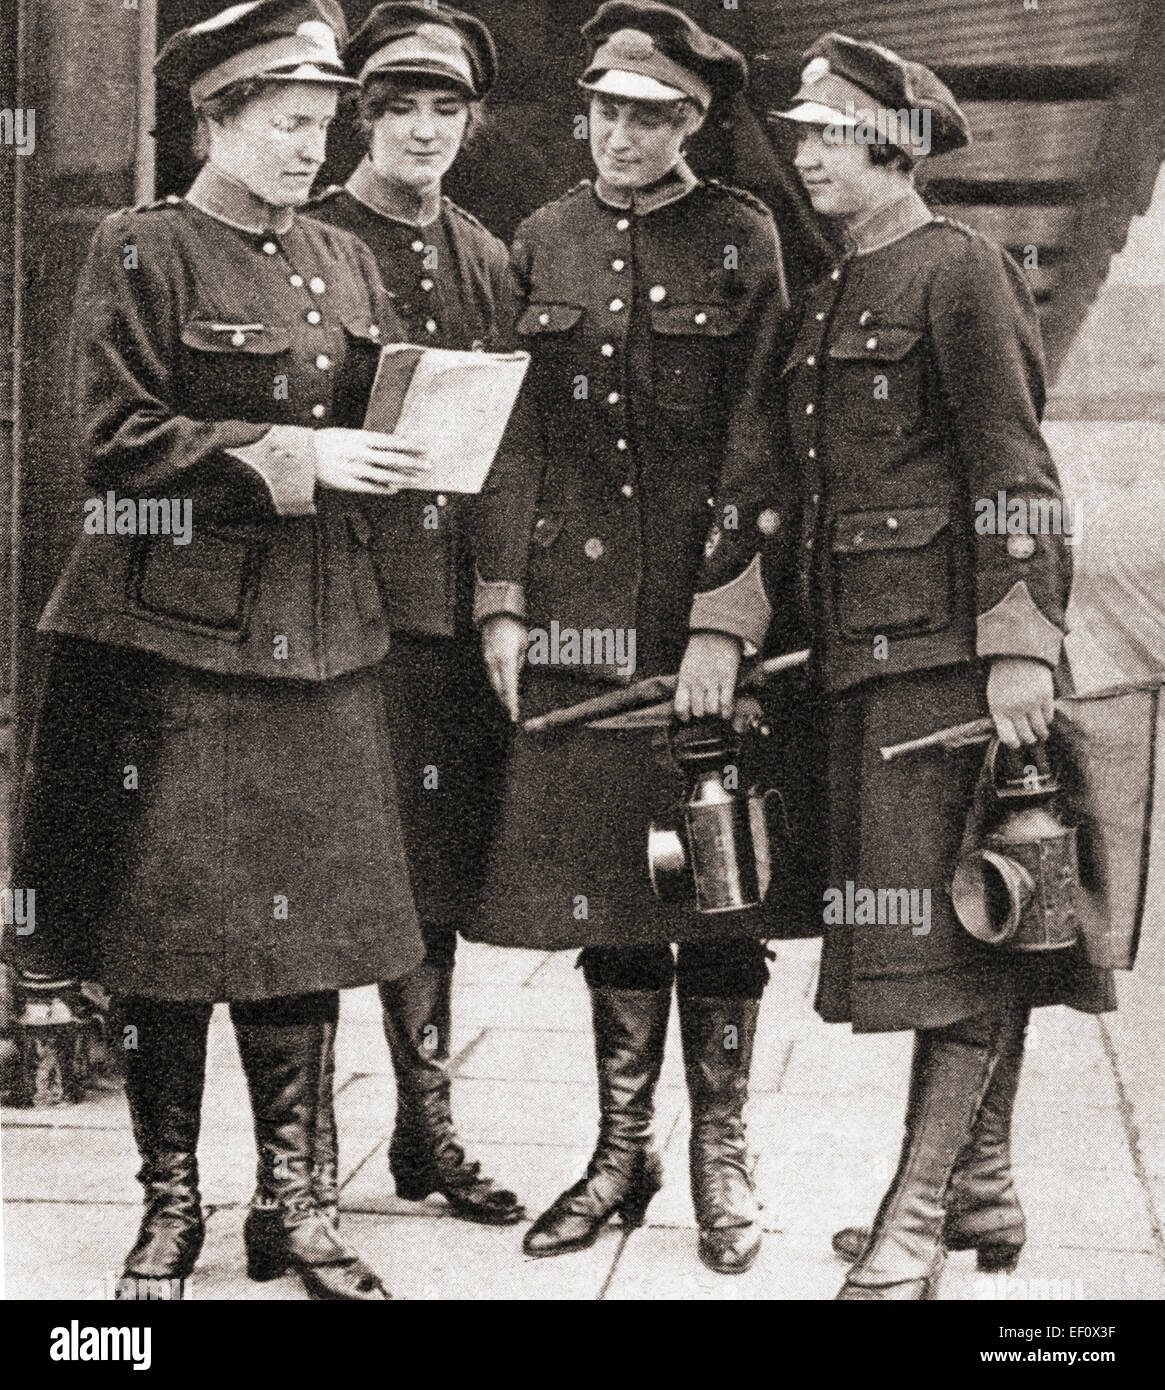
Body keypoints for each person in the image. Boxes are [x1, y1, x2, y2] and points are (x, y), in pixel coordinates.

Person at [4, 0, 434, 1301]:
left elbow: (367, 414)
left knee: (304, 941)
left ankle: (296, 1207)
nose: (312, 149)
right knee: (174, 934)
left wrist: (422, 438)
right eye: (288, 124)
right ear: (218, 118)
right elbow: (115, 439)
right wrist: (297, 459)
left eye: (321, 126)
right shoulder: (142, 250)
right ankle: (169, 1207)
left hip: (324, 643)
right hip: (180, 648)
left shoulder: (342, 261)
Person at [771, 32, 1115, 1299]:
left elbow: (1014, 473)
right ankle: (980, 1188)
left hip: (952, 666)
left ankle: (913, 1220)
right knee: (983, 919)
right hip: (869, 663)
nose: (803, 153)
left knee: (959, 936)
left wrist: (1019, 645)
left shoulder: (959, 270)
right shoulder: (836, 288)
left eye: (825, 134)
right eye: (801, 133)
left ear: (894, 145)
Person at [471, 1, 792, 1276]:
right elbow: (510, 433)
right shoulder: (538, 237)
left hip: (697, 620)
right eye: (605, 111)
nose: (620, 135)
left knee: (710, 890)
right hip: (574, 620)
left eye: (649, 117)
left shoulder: (743, 239)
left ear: (693, 125)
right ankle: (619, 1153)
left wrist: (725, 621)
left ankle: (719, 1155)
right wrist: (502, 593)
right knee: (614, 885)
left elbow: (764, 444)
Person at [307, 2, 523, 1227]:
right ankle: (310, 1160)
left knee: (429, 879)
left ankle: (424, 1129)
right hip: (335, 606)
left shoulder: (487, 257)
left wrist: (499, 601)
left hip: (439, 619)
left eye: (447, 111)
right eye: (401, 110)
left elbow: (510, 449)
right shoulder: (314, 238)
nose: (426, 131)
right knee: (333, 880)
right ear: (363, 119)